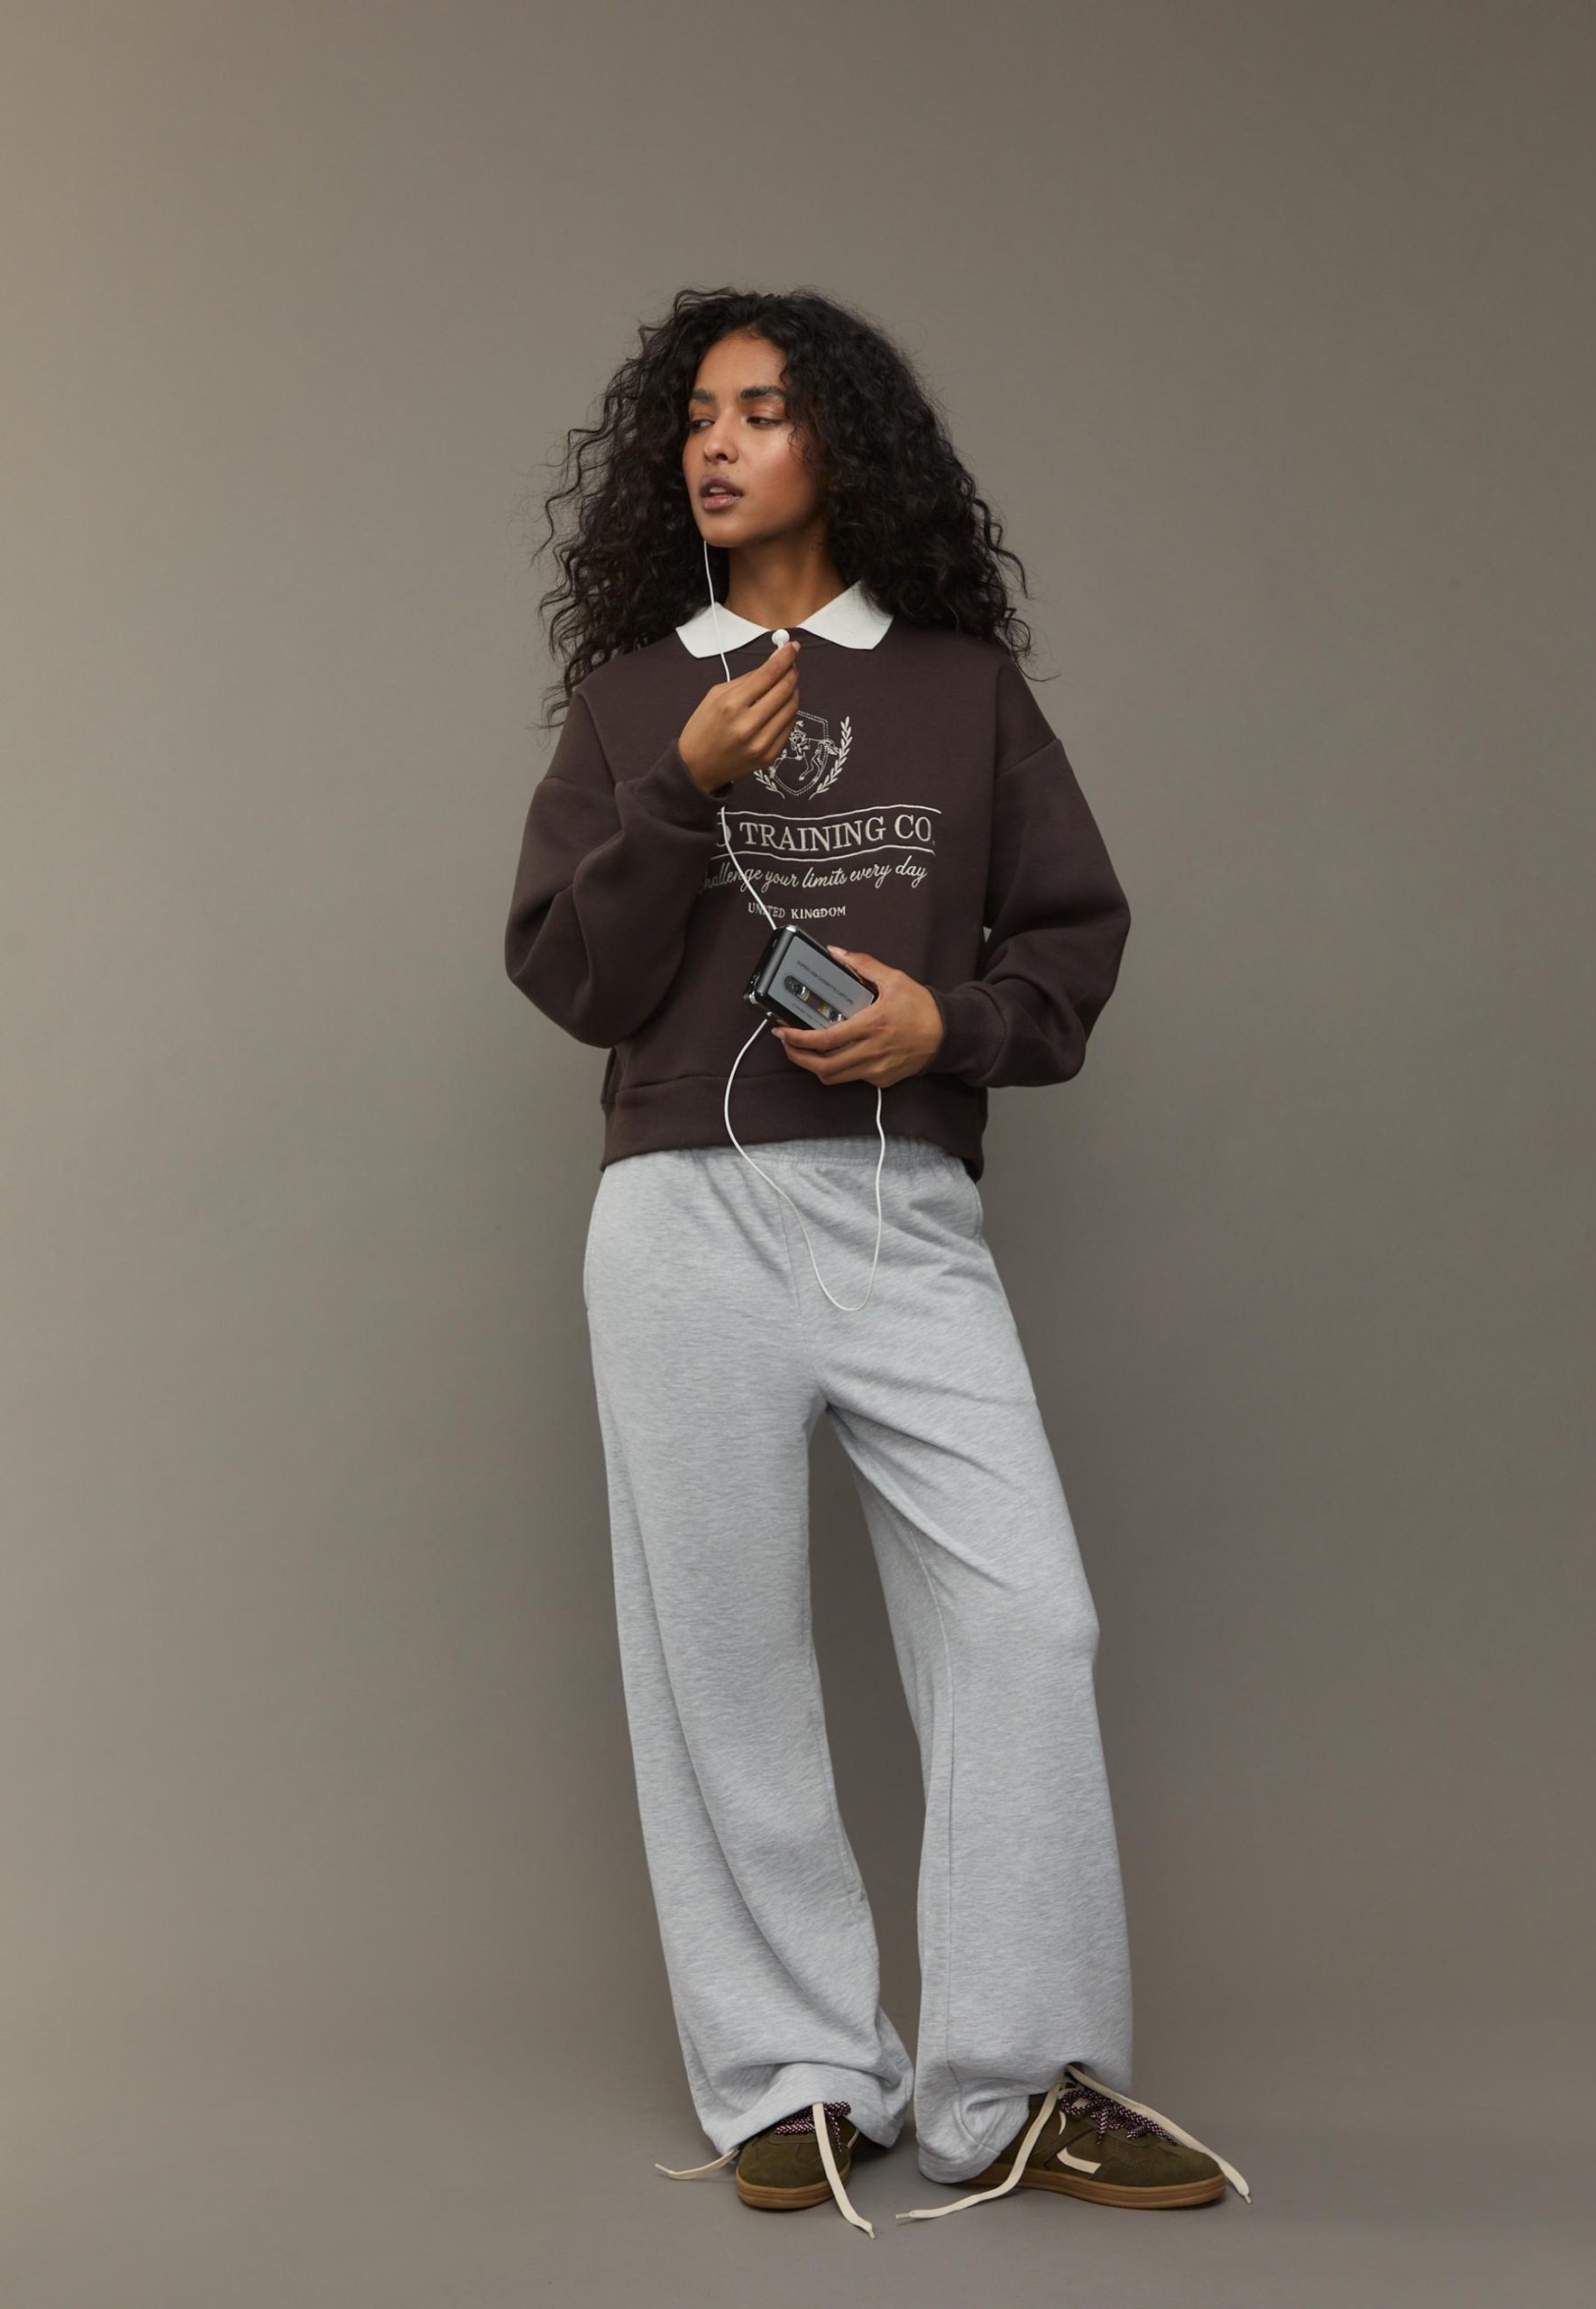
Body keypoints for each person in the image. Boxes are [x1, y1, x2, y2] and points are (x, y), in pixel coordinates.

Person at [503, 289, 1249, 2239]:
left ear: (844, 443)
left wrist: (949, 1027)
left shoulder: (958, 689)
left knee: (1026, 1621)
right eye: (696, 414)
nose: (716, 442)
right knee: (724, 1660)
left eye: (763, 410)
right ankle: (798, 2074)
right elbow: (574, 976)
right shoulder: (630, 700)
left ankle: (1011, 2083)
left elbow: (1068, 946)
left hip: (905, 1213)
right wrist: (680, 784)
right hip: (684, 1212)